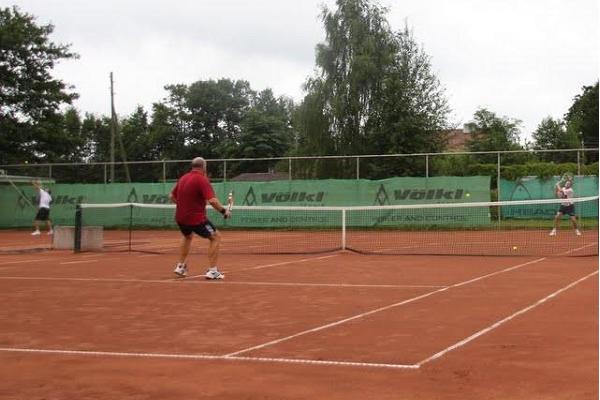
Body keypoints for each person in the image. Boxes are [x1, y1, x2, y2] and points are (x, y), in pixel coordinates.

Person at [170, 157, 231, 279]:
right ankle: (213, 271)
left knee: (187, 236)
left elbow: (171, 196)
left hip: (181, 217)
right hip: (196, 218)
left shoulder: (183, 178)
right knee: (215, 237)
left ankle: (180, 267)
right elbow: (213, 200)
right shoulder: (202, 180)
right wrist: (224, 211)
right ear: (204, 167)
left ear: (192, 166)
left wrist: (184, 206)